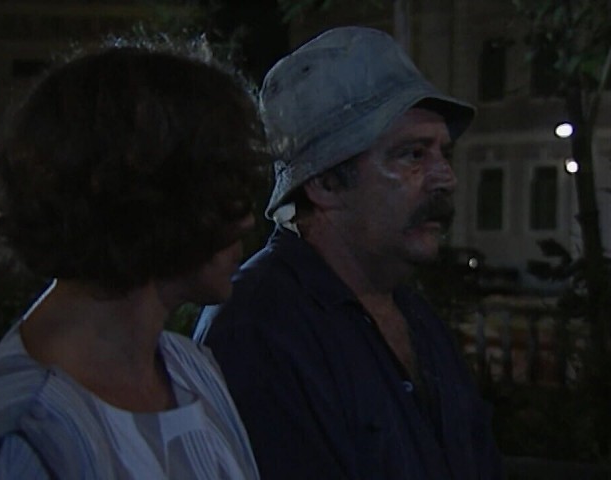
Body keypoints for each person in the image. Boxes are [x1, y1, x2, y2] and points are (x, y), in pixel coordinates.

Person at [194, 26, 503, 480]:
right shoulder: (260, 329)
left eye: (444, 153)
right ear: (323, 183)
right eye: (413, 155)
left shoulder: (413, 315)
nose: (446, 178)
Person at [0, 42, 266, 479]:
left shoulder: (191, 369)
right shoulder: (23, 434)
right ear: (145, 197)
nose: (246, 220)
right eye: (223, 185)